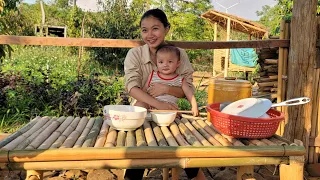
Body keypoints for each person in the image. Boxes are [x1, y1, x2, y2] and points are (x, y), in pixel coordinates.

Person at [124, 8, 206, 180]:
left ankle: (196, 174)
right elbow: (132, 87)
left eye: (155, 28)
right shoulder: (135, 54)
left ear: (166, 29)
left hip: (170, 112)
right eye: (144, 30)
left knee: (181, 143)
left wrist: (166, 89)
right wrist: (157, 104)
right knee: (140, 145)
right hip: (144, 112)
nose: (150, 35)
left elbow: (186, 89)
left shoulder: (179, 54)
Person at [142, 44, 199, 116]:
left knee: (174, 113)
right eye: (161, 62)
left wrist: (194, 106)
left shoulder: (180, 79)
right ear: (156, 63)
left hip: (169, 109)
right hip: (151, 107)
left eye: (170, 62)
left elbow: (189, 94)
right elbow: (143, 92)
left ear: (178, 63)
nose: (165, 65)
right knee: (139, 104)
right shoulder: (152, 75)